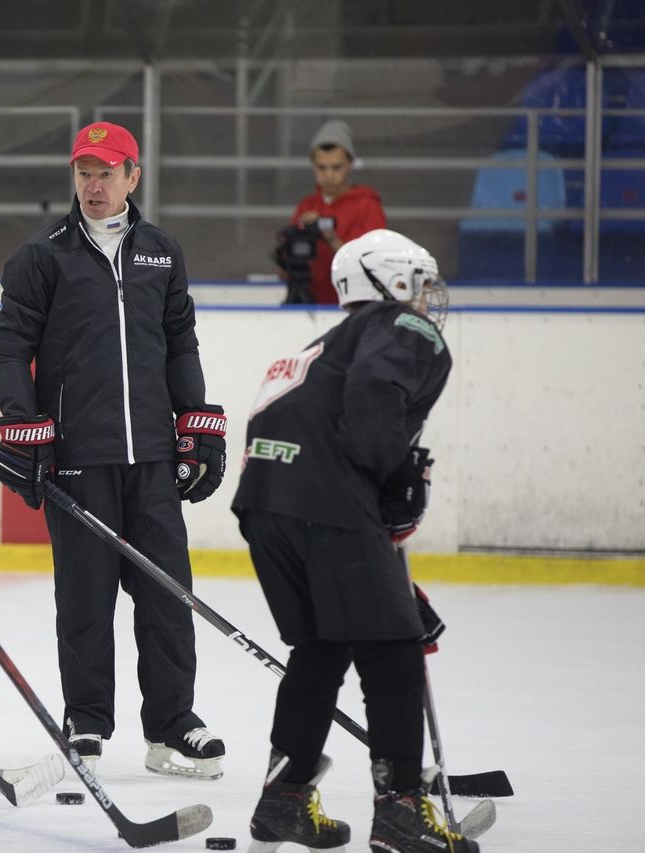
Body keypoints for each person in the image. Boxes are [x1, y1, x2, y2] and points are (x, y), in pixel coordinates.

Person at [0, 121, 228, 780]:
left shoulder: (161, 252)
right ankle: (87, 720)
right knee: (86, 600)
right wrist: (24, 424)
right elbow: (8, 349)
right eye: (83, 171)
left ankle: (173, 725)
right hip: (78, 459)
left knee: (166, 596)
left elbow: (180, 342)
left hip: (151, 458)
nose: (93, 184)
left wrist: (197, 422)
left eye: (106, 171)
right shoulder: (44, 256)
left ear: (132, 177)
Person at [231, 229, 475, 853]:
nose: (426, 301)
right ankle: (399, 810)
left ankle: (282, 801)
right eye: (418, 284)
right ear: (391, 283)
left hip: (265, 505)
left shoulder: (321, 344)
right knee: (395, 647)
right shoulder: (400, 326)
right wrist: (391, 480)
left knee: (322, 645)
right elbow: (372, 405)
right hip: (326, 504)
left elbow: (283, 419)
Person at [282, 119, 387, 306]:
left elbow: (372, 265)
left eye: (336, 167)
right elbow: (287, 268)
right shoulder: (306, 207)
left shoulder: (367, 206)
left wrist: (329, 237)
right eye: (321, 168)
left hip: (355, 308)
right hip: (310, 303)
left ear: (350, 164)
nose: (328, 175)